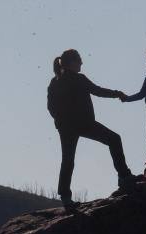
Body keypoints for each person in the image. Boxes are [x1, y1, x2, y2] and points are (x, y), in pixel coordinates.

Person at [47, 49, 135, 211]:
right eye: (79, 60)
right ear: (72, 62)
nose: (81, 63)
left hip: (67, 127)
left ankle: (65, 197)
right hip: (84, 124)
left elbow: (50, 107)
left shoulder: (56, 81)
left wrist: (60, 122)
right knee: (114, 139)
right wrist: (117, 94)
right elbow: (98, 91)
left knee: (68, 159)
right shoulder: (78, 79)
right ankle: (124, 177)